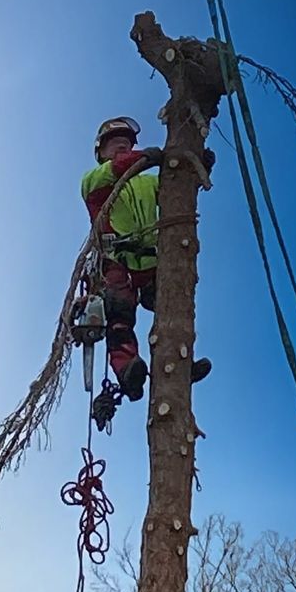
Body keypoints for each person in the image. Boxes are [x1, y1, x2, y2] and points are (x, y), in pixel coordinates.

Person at [81, 116, 212, 402]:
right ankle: (128, 370)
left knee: (173, 303)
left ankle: (179, 363)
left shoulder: (148, 183)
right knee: (119, 314)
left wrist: (196, 166)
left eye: (126, 142)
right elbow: (113, 171)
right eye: (114, 142)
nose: (122, 145)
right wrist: (142, 157)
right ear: (100, 151)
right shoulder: (95, 181)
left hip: (151, 261)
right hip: (117, 260)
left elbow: (176, 189)